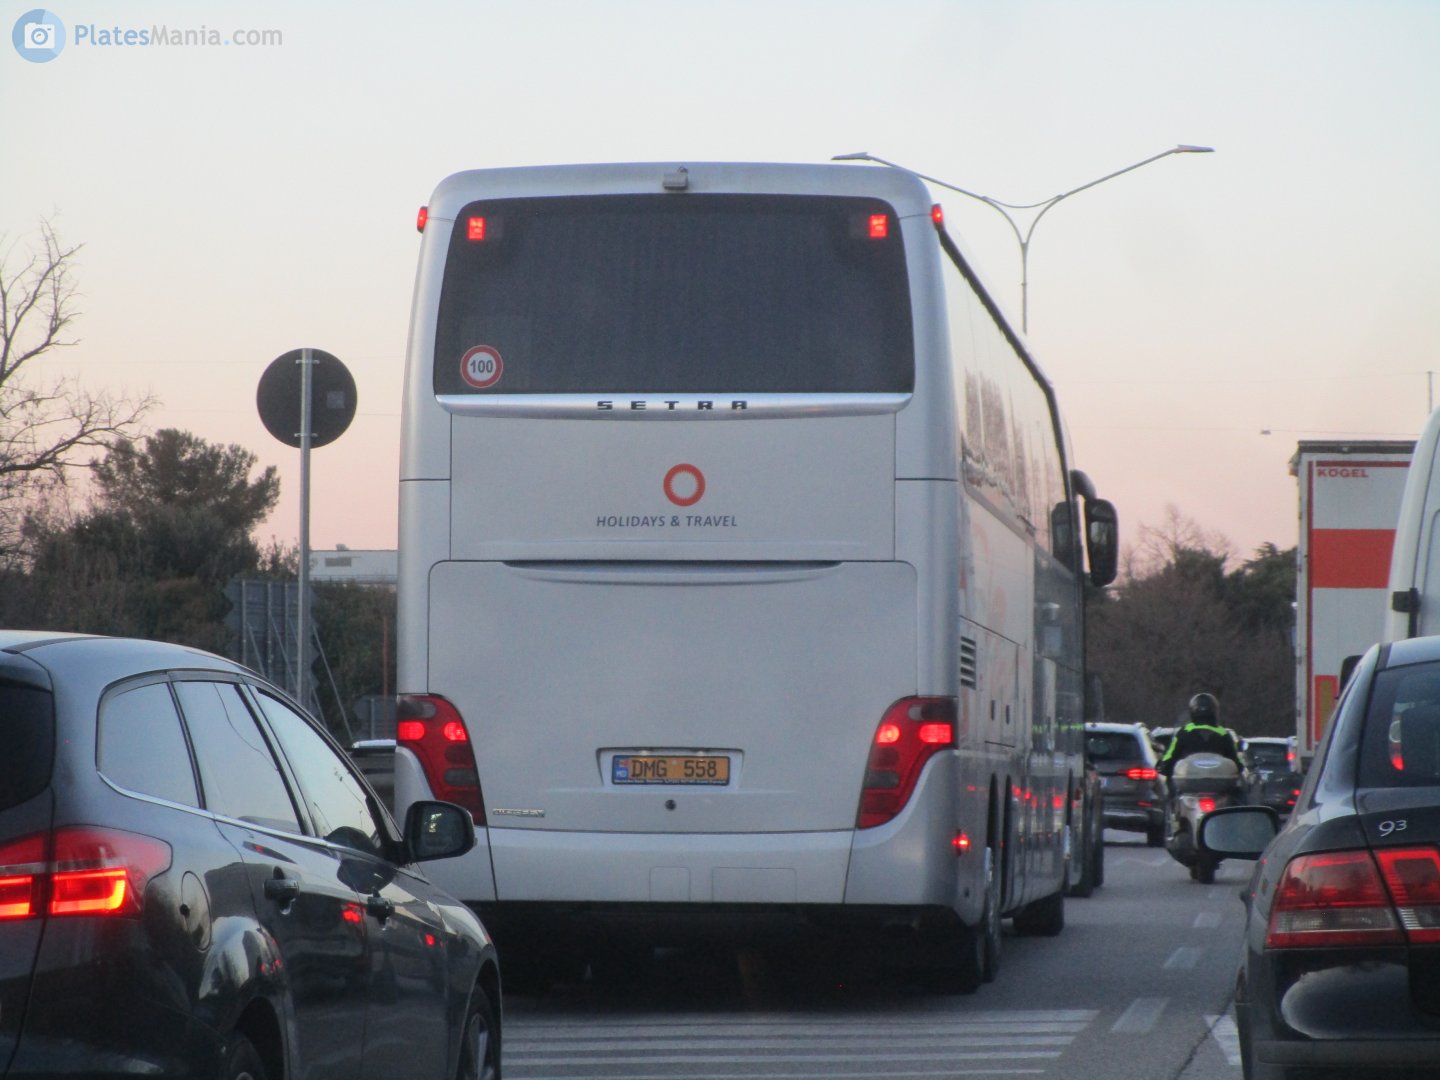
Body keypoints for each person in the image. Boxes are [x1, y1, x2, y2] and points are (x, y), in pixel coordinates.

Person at [1158, 692, 1242, 777]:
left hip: (1188, 785)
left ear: (1192, 710)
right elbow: (1236, 763)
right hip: (1219, 784)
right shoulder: (1224, 734)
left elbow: (1169, 758)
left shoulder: (1184, 732)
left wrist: (1163, 766)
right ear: (1214, 711)